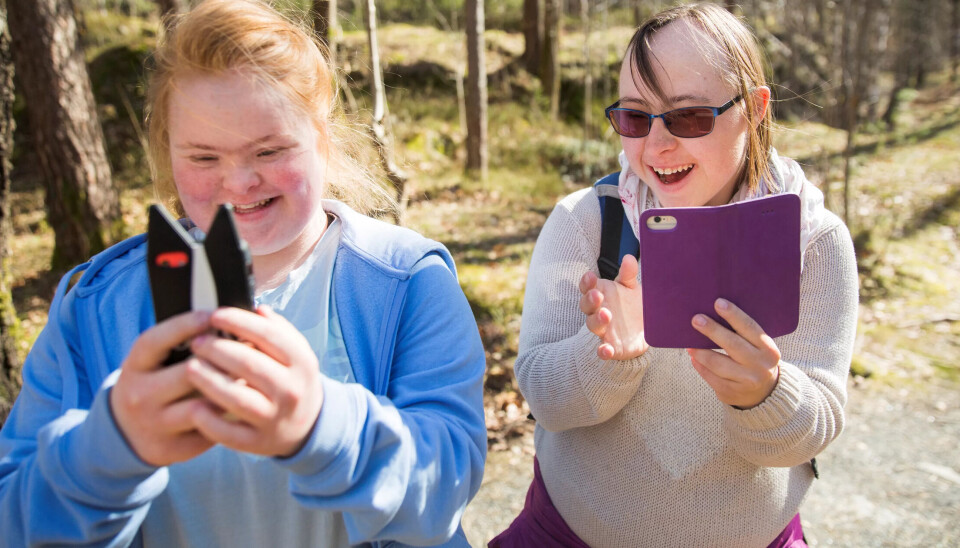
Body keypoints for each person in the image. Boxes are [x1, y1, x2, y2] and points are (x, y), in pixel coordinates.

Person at [0, 1, 486, 546]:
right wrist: (110, 447)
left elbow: (446, 487)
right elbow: (14, 521)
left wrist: (321, 424)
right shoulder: (95, 304)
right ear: (168, 153)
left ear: (322, 138)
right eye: (204, 158)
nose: (240, 182)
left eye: (270, 149)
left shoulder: (404, 282)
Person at [491, 4, 858, 547]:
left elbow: (814, 430)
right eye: (636, 118)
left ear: (755, 109)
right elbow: (543, 399)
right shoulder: (586, 223)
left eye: (688, 117)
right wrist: (609, 357)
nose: (657, 146)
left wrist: (766, 393)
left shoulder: (814, 241)